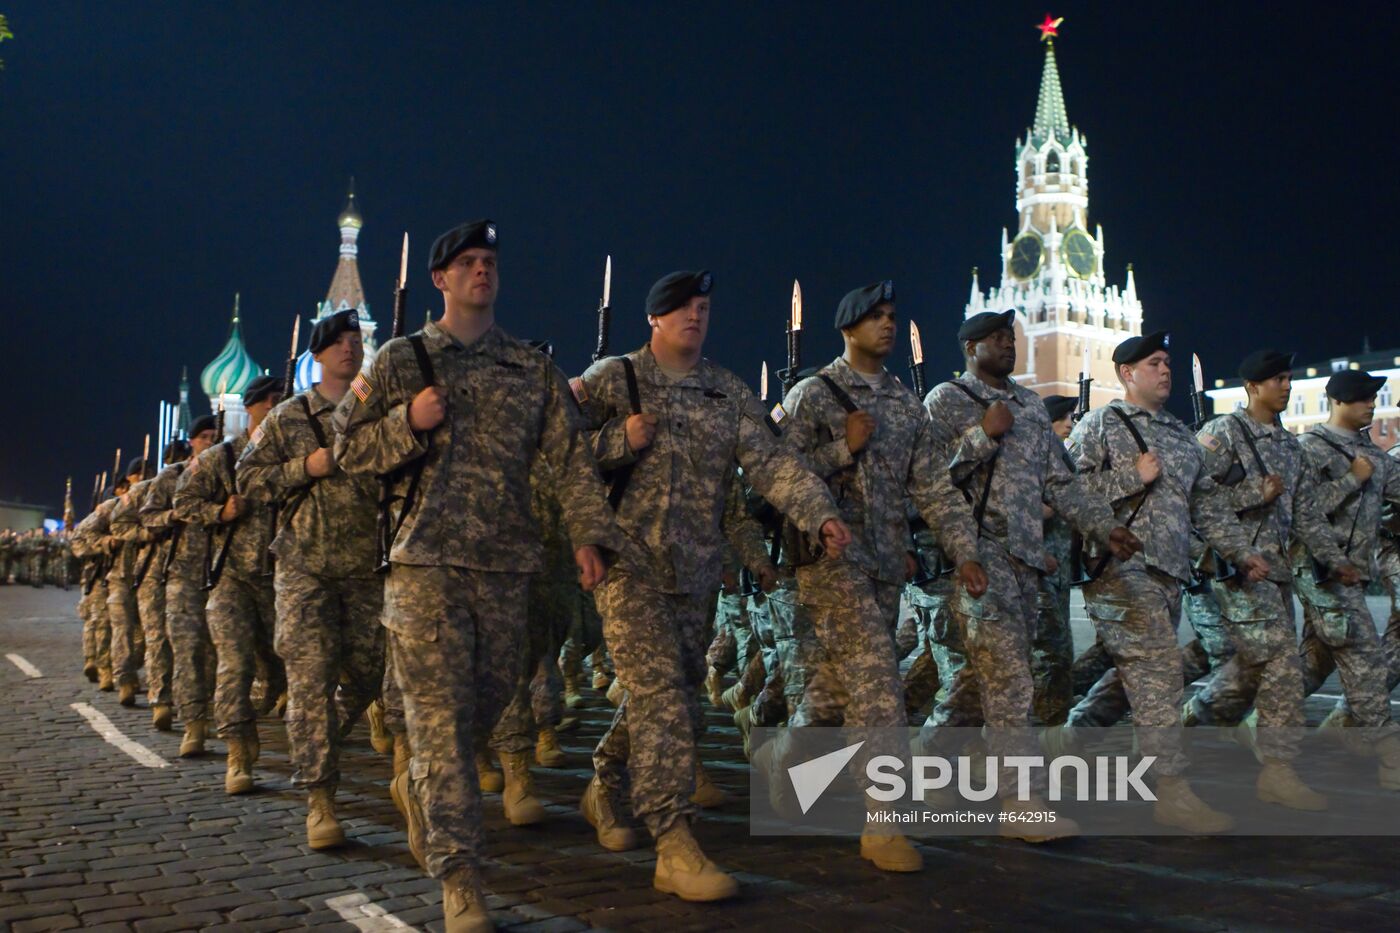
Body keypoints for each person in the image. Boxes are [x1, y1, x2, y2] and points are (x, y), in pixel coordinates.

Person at [334, 220, 619, 933]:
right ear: (441, 279)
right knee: (441, 729)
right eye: (467, 262)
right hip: (424, 568)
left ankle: (422, 785)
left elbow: (570, 459)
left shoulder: (529, 369)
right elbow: (344, 447)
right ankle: (462, 879)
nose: (481, 271)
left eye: (490, 260)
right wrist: (406, 421)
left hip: (506, 570)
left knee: (475, 720)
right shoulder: (403, 360)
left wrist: (588, 532)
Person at [573, 269, 851, 901]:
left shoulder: (725, 392)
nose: (694, 316)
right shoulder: (614, 379)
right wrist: (618, 438)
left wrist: (818, 512)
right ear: (654, 318)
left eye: (701, 307)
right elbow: (559, 454)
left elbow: (773, 463)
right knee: (662, 697)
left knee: (669, 699)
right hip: (628, 569)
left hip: (695, 574)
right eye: (680, 307)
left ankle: (604, 781)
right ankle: (673, 841)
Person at [765, 280, 986, 871]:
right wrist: (843, 448)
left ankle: (786, 766)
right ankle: (883, 822)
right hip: (831, 565)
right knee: (880, 687)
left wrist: (964, 550)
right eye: (875, 317)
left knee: (841, 686)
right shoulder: (812, 395)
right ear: (847, 328)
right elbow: (772, 475)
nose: (888, 325)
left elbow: (933, 487)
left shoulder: (906, 406)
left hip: (886, 565)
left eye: (892, 315)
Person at [915, 309, 1139, 839]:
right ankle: (1019, 801)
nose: (1007, 344)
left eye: (1010, 336)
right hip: (972, 558)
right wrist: (980, 436)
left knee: (976, 685)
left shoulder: (1032, 406)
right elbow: (924, 481)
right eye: (995, 337)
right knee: (1012, 678)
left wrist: (1104, 527)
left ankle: (923, 760)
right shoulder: (945, 402)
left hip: (1025, 563)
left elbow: (1061, 483)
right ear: (970, 347)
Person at [237, 309, 385, 848]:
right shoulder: (289, 417)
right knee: (310, 682)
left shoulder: (379, 411)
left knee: (370, 676)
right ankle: (320, 799)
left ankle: (318, 736)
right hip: (305, 569)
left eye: (356, 341)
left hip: (368, 569)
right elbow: (249, 478)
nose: (350, 348)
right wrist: (306, 468)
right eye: (338, 342)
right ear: (317, 356)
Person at [174, 374, 285, 794]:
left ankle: (261, 712)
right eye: (272, 399)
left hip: (283, 581)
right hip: (232, 580)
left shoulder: (295, 453)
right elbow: (185, 502)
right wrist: (220, 511)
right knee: (234, 665)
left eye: (283, 399)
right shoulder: (222, 457)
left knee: (279, 670)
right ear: (253, 406)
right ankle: (239, 749)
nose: (278, 406)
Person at [1293, 369, 1400, 785]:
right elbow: (1300, 509)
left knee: (1315, 662)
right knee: (1365, 656)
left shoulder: (1372, 453)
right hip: (1321, 571)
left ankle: (1260, 725)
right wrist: (1351, 480)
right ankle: (1390, 755)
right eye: (1362, 398)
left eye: (1373, 397)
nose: (1371, 405)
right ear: (1337, 401)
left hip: (1351, 575)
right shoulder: (1310, 449)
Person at [162, 415, 220, 756]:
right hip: (183, 574)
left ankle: (213, 711)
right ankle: (193, 724)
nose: (210, 441)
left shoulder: (228, 468)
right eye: (205, 437)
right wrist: (170, 519)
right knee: (187, 652)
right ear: (193, 441)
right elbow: (148, 515)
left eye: (215, 435)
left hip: (220, 573)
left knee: (217, 654)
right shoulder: (173, 476)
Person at [134, 439, 193, 731]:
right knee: (158, 639)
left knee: (189, 642)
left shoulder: (210, 471)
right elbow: (144, 520)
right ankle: (161, 700)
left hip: (190, 571)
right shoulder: (155, 485)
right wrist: (171, 518)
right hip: (155, 572)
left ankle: (191, 703)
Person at [107, 458, 153, 707]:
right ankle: (124, 680)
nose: (142, 478)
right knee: (123, 630)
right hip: (121, 577)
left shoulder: (157, 497)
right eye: (137, 475)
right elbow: (85, 537)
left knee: (146, 633)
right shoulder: (116, 506)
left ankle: (134, 669)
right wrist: (105, 543)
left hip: (149, 575)